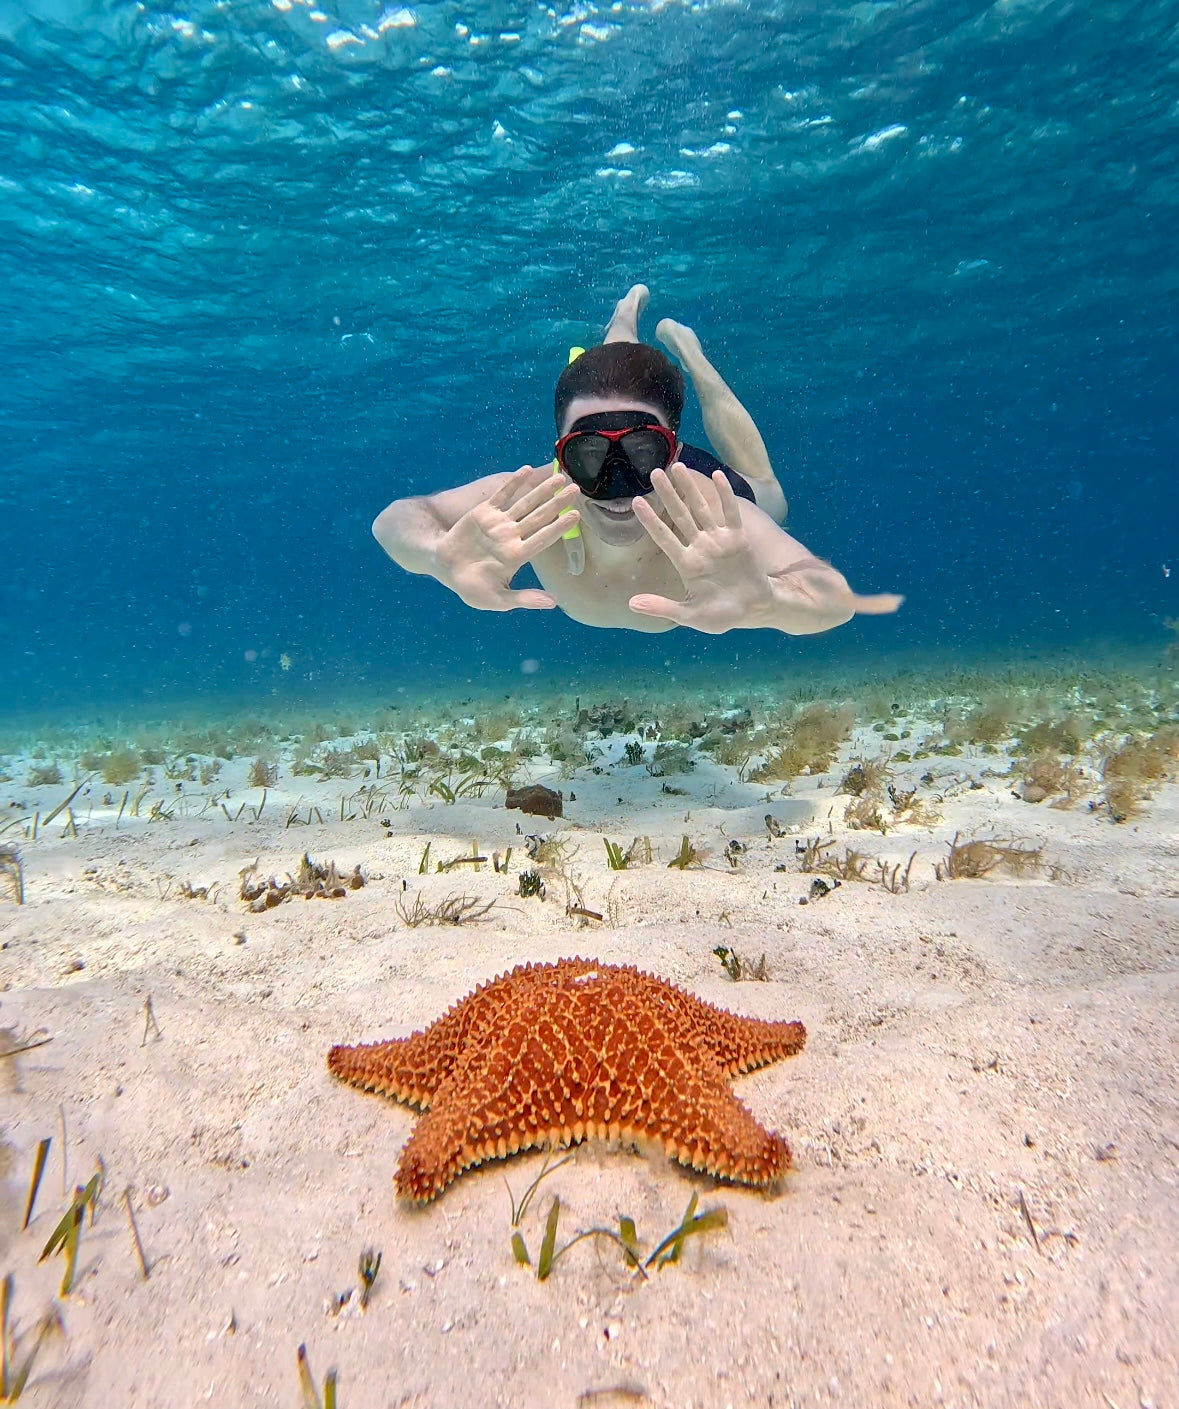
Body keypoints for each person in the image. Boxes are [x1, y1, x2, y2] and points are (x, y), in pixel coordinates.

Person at [372, 286, 902, 636]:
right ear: (560, 457)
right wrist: (439, 552)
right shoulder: (533, 501)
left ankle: (693, 358)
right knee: (609, 380)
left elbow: (834, 597)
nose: (618, 483)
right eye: (589, 454)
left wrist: (770, 600)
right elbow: (394, 521)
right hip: (617, 461)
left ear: (674, 448)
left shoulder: (712, 517)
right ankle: (621, 320)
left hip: (687, 487)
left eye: (643, 452)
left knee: (771, 493)